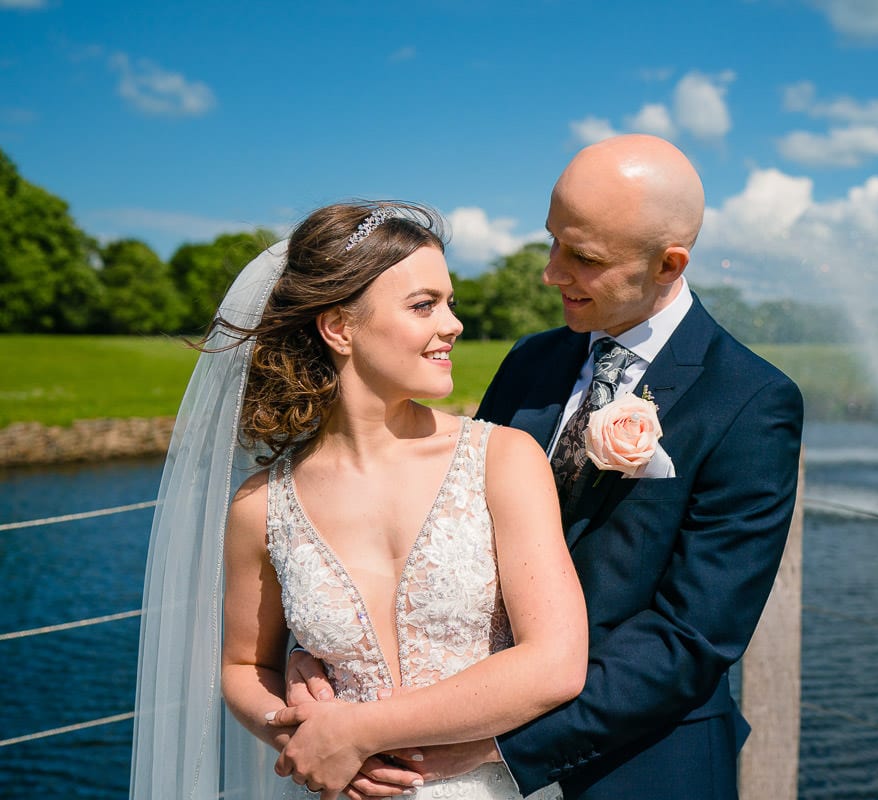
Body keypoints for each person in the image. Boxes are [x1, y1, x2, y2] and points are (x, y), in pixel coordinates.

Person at [290, 134, 805, 800]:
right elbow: (430, 530)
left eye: (582, 257)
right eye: (552, 241)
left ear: (668, 264)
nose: (552, 272)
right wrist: (331, 649)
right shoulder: (531, 361)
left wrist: (495, 746)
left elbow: (691, 638)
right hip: (451, 745)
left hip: (641, 768)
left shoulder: (751, 402)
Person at [129, 201, 588, 800]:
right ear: (339, 327)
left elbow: (554, 662)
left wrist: (353, 733)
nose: (453, 324)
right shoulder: (260, 506)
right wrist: (301, 738)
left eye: (450, 303)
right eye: (424, 305)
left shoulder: (503, 459)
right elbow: (245, 670)